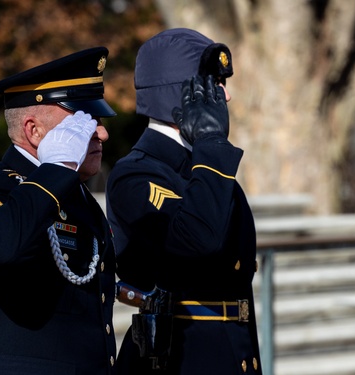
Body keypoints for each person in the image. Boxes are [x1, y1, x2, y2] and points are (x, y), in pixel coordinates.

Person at [0, 47, 118, 375]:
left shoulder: (78, 198)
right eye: (83, 122)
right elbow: (1, 248)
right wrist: (56, 170)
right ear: (34, 131)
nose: (102, 133)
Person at [106, 28, 262, 374]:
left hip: (231, 353)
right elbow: (197, 239)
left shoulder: (204, 166)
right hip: (181, 360)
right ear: (179, 95)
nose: (226, 97)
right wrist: (210, 143)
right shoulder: (136, 175)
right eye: (212, 85)